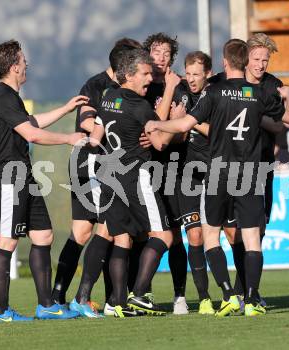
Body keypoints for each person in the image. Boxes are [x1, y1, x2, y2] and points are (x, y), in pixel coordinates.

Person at [145, 39, 289, 317]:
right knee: (252, 239)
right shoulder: (259, 93)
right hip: (250, 173)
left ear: (225, 63)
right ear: (247, 61)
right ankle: (250, 300)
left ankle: (227, 294)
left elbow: (185, 123)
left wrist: (157, 123)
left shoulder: (214, 92)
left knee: (210, 235)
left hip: (219, 173)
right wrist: (288, 97)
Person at [0, 39, 87, 322]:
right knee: (7, 241)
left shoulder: (10, 97)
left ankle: (46, 306)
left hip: (25, 177)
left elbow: (32, 123)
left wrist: (66, 109)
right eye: (23, 59)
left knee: (43, 235)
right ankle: (1, 312)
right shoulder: (3, 96)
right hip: (8, 178)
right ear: (14, 66)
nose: (26, 63)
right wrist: (69, 138)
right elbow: (32, 135)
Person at [51, 38, 143, 318]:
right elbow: (86, 122)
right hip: (90, 163)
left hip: (109, 165)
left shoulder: (130, 88)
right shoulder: (96, 85)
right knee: (99, 229)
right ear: (124, 65)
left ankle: (80, 298)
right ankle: (72, 297)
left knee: (88, 231)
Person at [90, 48, 176, 317]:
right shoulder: (139, 105)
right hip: (135, 176)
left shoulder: (108, 98)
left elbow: (96, 137)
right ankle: (139, 295)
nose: (150, 78)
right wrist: (174, 119)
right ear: (129, 75)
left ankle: (117, 303)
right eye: (145, 73)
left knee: (122, 240)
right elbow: (160, 142)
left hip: (110, 176)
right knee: (164, 235)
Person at [223, 34, 289, 312]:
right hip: (226, 167)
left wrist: (287, 98)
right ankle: (239, 289)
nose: (261, 64)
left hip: (260, 165)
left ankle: (248, 291)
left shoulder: (271, 85)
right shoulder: (227, 83)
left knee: (257, 230)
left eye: (265, 59)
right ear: (245, 58)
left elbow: (287, 121)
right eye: (256, 58)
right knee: (232, 233)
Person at [138, 32, 189, 315]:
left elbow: (182, 132)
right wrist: (166, 123)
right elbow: (142, 128)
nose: (160, 58)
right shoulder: (141, 85)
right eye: (156, 52)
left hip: (176, 169)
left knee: (176, 235)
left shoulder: (179, 87)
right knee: (149, 235)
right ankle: (143, 293)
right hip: (146, 169)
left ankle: (180, 295)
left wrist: (165, 127)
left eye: (166, 54)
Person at [174, 51, 216, 314]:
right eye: (188, 74)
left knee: (228, 234)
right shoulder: (179, 91)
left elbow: (216, 131)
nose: (191, 79)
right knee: (195, 234)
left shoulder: (216, 96)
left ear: (208, 74)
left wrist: (190, 119)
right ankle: (203, 299)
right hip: (185, 173)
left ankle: (241, 293)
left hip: (214, 170)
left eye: (196, 74)